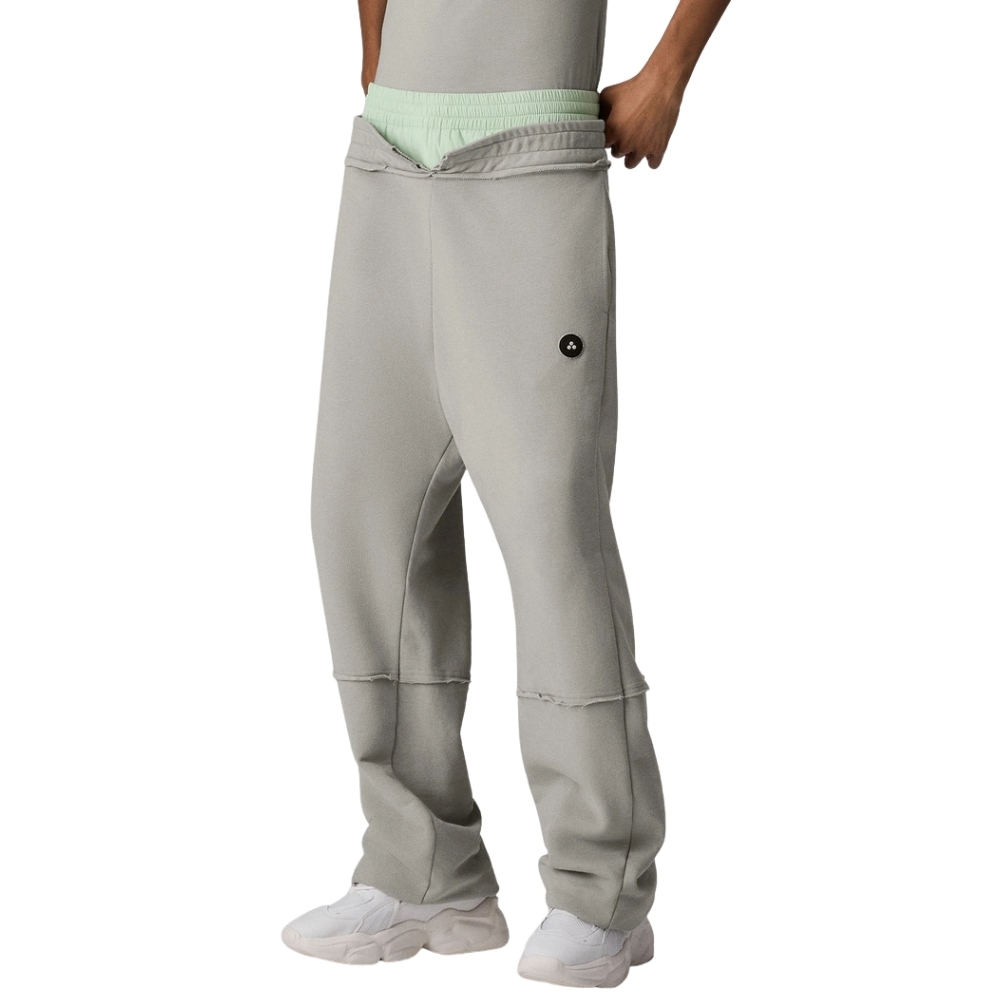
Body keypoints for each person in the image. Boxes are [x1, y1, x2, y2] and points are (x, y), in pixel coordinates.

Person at [282, 0, 731, 988]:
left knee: (550, 531)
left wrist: (668, 72)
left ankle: (601, 892)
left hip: (527, 163)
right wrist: (376, 52)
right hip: (389, 160)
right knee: (360, 519)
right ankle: (423, 868)